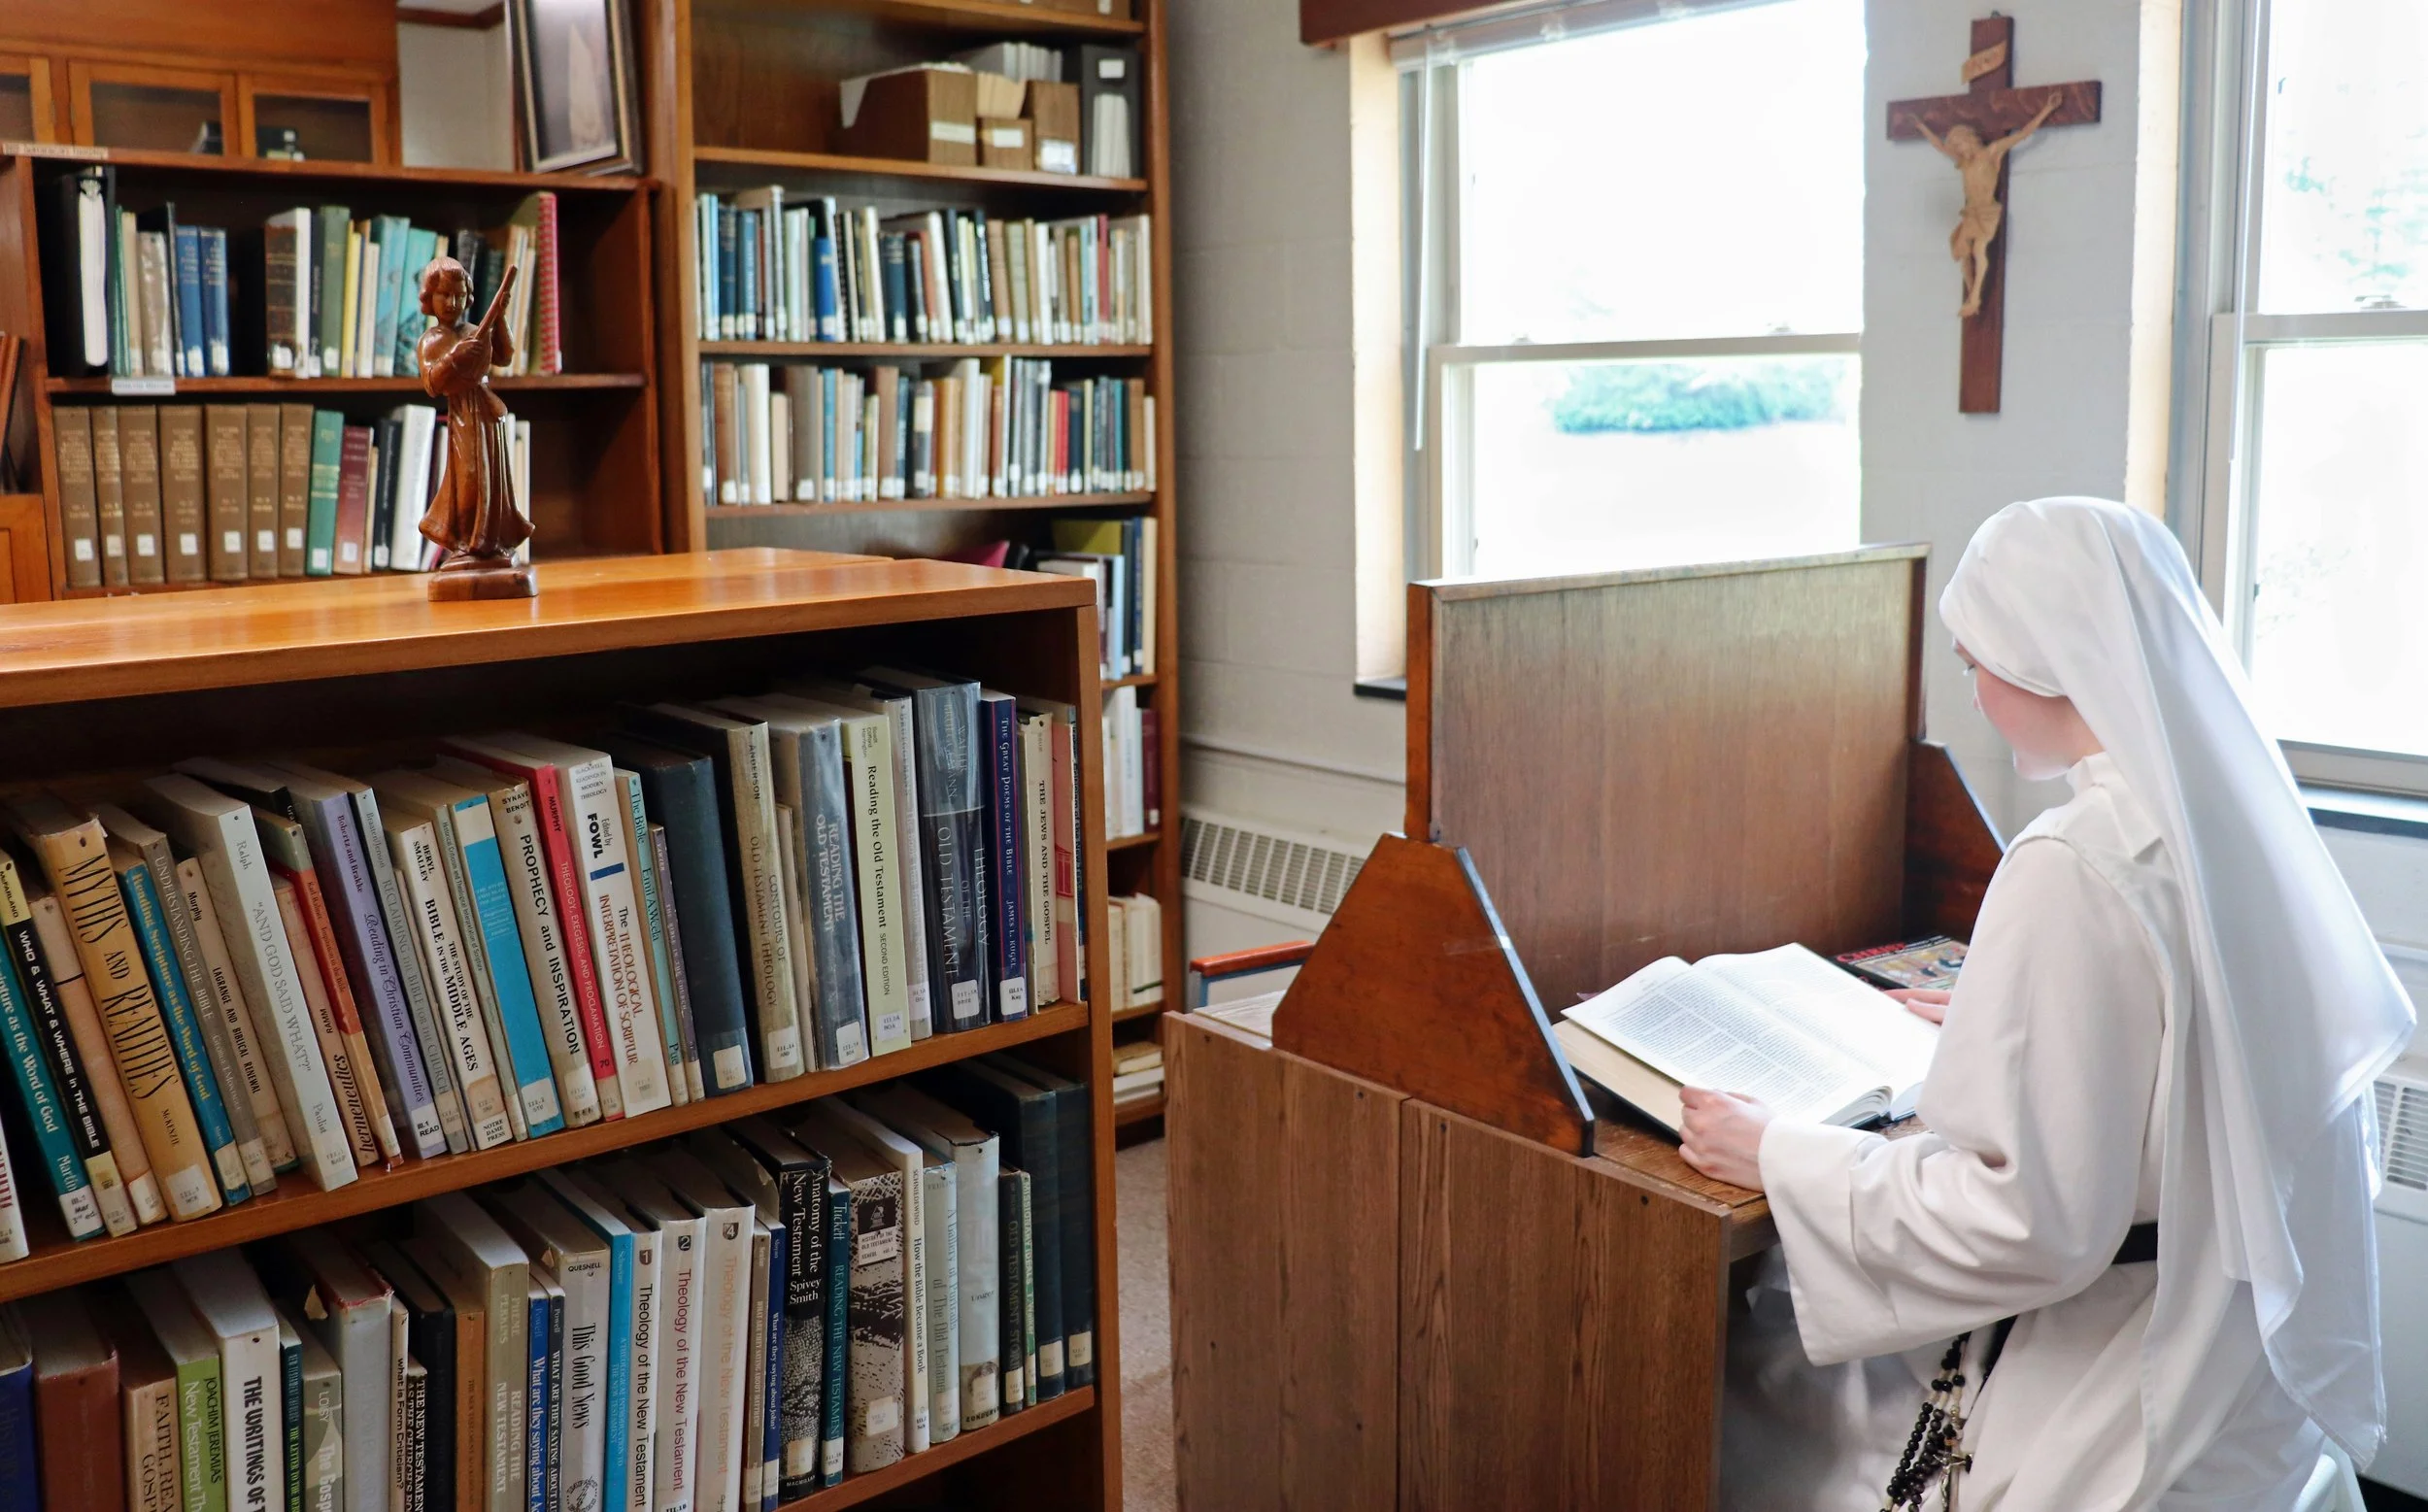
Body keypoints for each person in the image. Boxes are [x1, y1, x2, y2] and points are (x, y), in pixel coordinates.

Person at [1678, 497, 2412, 1509]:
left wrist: (1777, 1153)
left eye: (1974, 660)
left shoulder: (2072, 857)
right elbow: (2210, 1044)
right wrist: (2009, 1027)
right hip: (2240, 1356)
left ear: (2039, 661)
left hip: (2118, 1359)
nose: (1974, 691)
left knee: (1754, 1368)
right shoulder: (2226, 814)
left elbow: (2025, 1223)